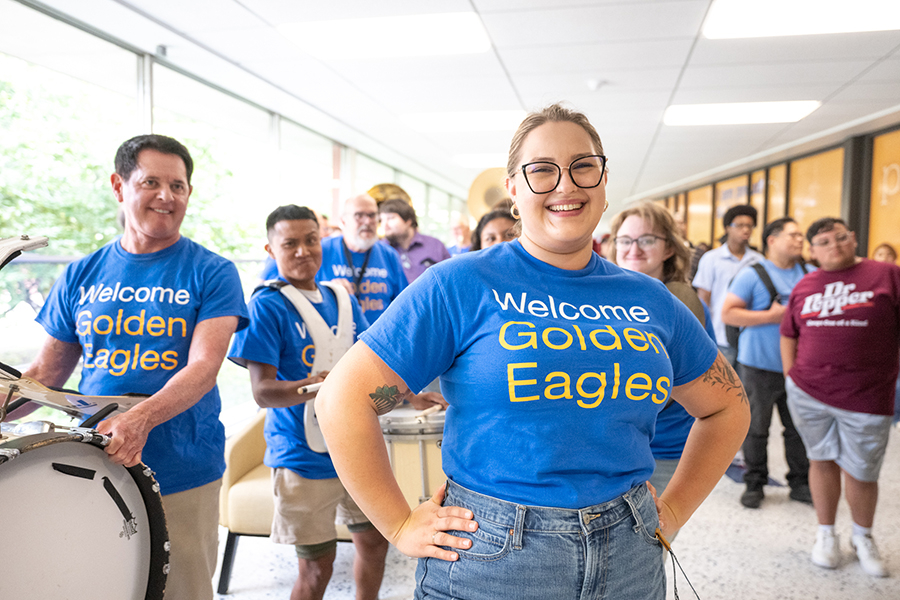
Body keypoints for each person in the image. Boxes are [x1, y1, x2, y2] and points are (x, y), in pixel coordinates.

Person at [315, 104, 750, 600]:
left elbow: (727, 405)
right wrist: (397, 525)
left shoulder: (651, 299)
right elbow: (343, 399)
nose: (566, 185)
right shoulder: (461, 283)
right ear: (514, 190)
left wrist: (673, 511)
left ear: (604, 182)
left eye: (583, 166)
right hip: (493, 557)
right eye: (542, 170)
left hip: (628, 553)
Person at [25, 134, 249, 600]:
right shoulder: (81, 274)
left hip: (182, 467)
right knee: (98, 585)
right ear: (119, 185)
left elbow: (204, 366)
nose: (167, 196)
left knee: (182, 590)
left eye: (179, 186)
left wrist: (140, 418)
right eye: (152, 182)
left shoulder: (213, 272)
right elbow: (44, 377)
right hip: (93, 464)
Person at [229, 205, 389, 600]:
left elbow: (371, 362)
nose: (303, 250)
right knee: (317, 568)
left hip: (354, 445)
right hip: (301, 455)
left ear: (323, 241)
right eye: (290, 243)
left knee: (376, 541)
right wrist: (314, 384)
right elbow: (262, 392)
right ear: (270, 250)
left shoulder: (342, 300)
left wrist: (411, 394)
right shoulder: (266, 306)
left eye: (311, 240)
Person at [781, 217, 900, 577]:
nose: (834, 246)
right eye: (824, 242)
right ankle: (826, 533)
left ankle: (863, 536)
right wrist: (791, 377)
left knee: (862, 471)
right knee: (821, 460)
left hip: (868, 396)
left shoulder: (887, 275)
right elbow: (789, 333)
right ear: (813, 251)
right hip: (810, 392)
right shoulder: (806, 284)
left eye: (841, 238)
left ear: (854, 238)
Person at [609, 202, 718, 501]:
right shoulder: (599, 303)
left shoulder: (683, 305)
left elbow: (690, 387)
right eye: (625, 240)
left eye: (647, 240)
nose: (634, 249)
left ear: (669, 248)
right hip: (610, 449)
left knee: (652, 540)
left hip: (664, 448)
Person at [722, 217, 812, 509]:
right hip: (758, 365)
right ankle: (755, 483)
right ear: (772, 240)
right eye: (793, 235)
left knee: (797, 428)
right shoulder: (752, 274)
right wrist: (771, 317)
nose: (800, 240)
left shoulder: (810, 273)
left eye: (801, 236)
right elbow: (729, 314)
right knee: (757, 429)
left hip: (799, 367)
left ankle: (800, 483)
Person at [316, 194, 408, 323]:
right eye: (359, 215)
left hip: (378, 339)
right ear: (343, 221)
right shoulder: (321, 251)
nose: (368, 222)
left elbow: (403, 304)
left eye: (372, 215)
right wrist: (327, 290)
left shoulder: (389, 255)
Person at [692, 205, 763, 365]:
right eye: (739, 225)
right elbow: (703, 299)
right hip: (719, 336)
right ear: (727, 228)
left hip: (749, 336)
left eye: (750, 226)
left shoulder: (758, 261)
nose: (746, 230)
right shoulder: (712, 259)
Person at [378, 198, 451, 282]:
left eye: (390, 218)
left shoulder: (436, 245)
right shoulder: (380, 249)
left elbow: (449, 278)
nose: (384, 225)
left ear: (408, 221)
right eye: (382, 220)